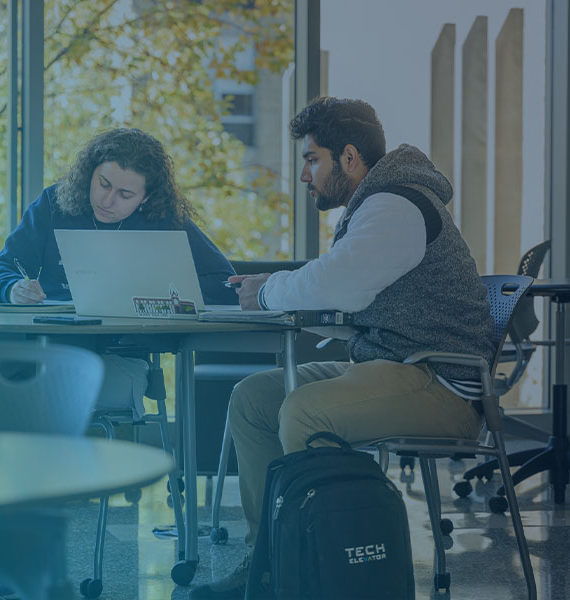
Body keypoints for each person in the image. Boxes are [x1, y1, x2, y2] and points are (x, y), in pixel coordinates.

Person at [189, 97, 496, 599]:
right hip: (393, 368)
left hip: (441, 387)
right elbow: (345, 285)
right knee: (252, 401)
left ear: (349, 157)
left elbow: (343, 284)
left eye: (313, 160)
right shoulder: (376, 207)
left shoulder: (398, 206)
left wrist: (267, 291)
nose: (306, 175)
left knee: (305, 411)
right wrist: (280, 285)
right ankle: (269, 561)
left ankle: (318, 570)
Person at [0, 127, 237, 421]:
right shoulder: (54, 203)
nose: (107, 201)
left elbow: (225, 283)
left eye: (125, 194)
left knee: (48, 397)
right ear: (89, 174)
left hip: (120, 353)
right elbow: (3, 266)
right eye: (103, 184)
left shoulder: (162, 220)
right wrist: (13, 288)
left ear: (145, 198)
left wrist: (158, 288)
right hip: (44, 346)